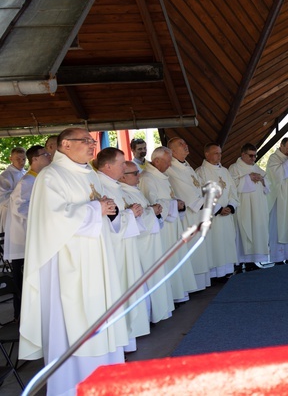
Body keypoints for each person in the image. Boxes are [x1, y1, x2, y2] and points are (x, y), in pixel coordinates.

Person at [19, 128, 128, 395]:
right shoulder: (51, 176)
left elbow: (95, 208)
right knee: (74, 319)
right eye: (86, 141)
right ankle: (71, 386)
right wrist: (95, 209)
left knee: (99, 314)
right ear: (65, 145)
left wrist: (107, 207)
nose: (92, 146)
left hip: (97, 257)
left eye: (92, 141)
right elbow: (52, 219)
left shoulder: (89, 173)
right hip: (69, 263)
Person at [95, 148, 150, 352]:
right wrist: (130, 214)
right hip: (114, 251)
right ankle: (120, 343)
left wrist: (131, 213)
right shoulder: (101, 185)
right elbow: (110, 221)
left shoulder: (114, 186)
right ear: (108, 166)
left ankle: (126, 340)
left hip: (124, 246)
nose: (123, 167)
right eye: (120, 164)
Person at [139, 146, 197, 304]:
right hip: (163, 229)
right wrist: (173, 204)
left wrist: (177, 203)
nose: (170, 165)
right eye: (167, 162)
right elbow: (152, 206)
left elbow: (169, 198)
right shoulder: (147, 178)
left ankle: (177, 293)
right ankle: (171, 296)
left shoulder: (161, 176)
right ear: (157, 161)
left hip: (173, 227)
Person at [119, 160, 175, 323]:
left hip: (151, 242)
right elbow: (137, 221)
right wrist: (152, 211)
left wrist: (152, 210)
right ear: (123, 177)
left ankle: (159, 311)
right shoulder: (123, 193)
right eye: (135, 173)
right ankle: (152, 314)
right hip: (142, 245)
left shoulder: (133, 190)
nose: (139, 176)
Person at [5, 145, 51, 321]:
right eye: (45, 154)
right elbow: (19, 207)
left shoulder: (36, 179)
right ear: (35, 159)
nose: (49, 157)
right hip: (23, 241)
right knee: (22, 281)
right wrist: (43, 218)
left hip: (30, 239)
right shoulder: (27, 182)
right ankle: (22, 317)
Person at [166, 137, 211, 289]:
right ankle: (192, 285)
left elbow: (198, 186)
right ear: (172, 151)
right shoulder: (171, 169)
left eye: (185, 143)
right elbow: (187, 193)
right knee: (192, 250)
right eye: (181, 144)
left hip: (198, 214)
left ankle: (201, 283)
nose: (186, 146)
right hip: (189, 215)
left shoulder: (187, 165)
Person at [196, 143, 238, 278]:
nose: (219, 156)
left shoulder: (225, 171)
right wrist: (218, 209)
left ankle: (226, 271)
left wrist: (231, 206)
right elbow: (201, 195)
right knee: (215, 244)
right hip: (213, 216)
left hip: (227, 214)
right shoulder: (201, 172)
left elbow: (233, 191)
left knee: (227, 242)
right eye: (215, 153)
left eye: (220, 153)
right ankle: (215, 274)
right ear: (207, 154)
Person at [228, 143, 270, 269]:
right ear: (243, 154)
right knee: (242, 231)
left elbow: (268, 186)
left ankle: (252, 261)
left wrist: (262, 180)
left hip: (258, 207)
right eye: (251, 156)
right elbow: (231, 185)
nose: (253, 159)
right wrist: (248, 178)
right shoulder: (234, 168)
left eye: (255, 156)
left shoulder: (256, 167)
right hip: (243, 206)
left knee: (256, 231)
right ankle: (238, 263)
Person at [0, 147, 27, 239]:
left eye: (24, 159)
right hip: (9, 212)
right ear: (11, 159)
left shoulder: (26, 174)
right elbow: (2, 196)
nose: (21, 162)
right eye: (18, 159)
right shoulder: (5, 176)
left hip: (23, 211)